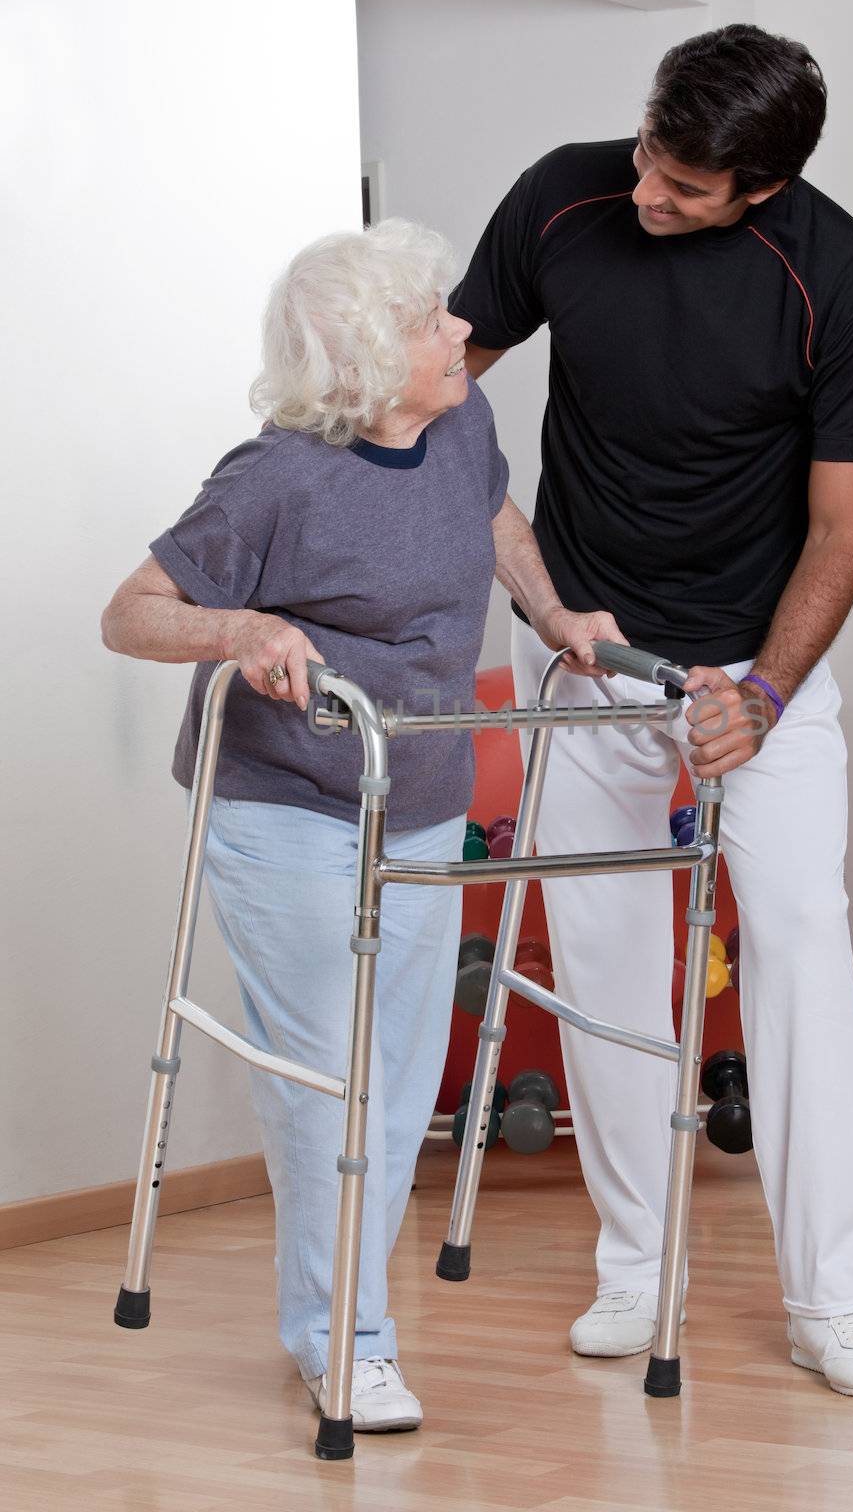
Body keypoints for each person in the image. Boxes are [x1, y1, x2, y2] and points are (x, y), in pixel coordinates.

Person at [449, 24, 853, 1398]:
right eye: (650, 148)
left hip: (756, 669)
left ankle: (832, 1300)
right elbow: (432, 391)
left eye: (687, 184)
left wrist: (762, 697)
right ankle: (631, 1265)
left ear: (759, 187)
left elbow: (842, 529)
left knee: (795, 940)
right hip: (591, 657)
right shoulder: (562, 197)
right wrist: (532, 594)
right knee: (599, 958)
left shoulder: (840, 280)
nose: (649, 188)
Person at [101, 220, 622, 1432]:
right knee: (332, 1076)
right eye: (429, 318)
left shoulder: (461, 422)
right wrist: (241, 631)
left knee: (394, 1084)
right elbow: (131, 613)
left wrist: (550, 611)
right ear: (357, 356)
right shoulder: (274, 476)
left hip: (421, 789)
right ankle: (346, 1339)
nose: (458, 330)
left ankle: (342, 1319)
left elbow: (491, 515)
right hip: (283, 801)